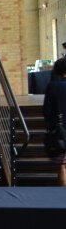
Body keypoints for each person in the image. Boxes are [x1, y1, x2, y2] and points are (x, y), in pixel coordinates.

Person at [43, 57, 66, 186]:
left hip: (61, 133)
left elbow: (47, 110)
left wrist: (51, 124)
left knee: (62, 166)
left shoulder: (52, 86)